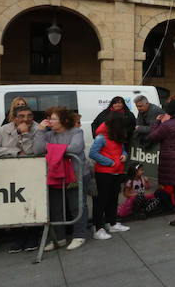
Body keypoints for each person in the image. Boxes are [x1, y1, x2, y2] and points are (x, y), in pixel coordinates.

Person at [0, 104, 43, 253]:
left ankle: (33, 236)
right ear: (14, 118)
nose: (27, 119)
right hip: (10, 174)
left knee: (32, 204)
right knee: (13, 204)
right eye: (22, 116)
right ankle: (18, 237)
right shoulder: (4, 130)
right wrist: (16, 151)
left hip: (32, 174)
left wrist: (25, 135)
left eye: (30, 116)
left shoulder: (37, 129)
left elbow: (32, 152)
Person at [33, 107, 88, 251]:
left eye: (53, 118)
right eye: (49, 118)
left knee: (77, 205)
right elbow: (38, 149)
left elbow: (75, 148)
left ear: (64, 120)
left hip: (76, 175)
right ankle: (59, 239)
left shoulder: (76, 132)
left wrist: (50, 148)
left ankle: (79, 235)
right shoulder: (48, 134)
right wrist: (40, 131)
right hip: (56, 175)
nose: (49, 121)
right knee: (56, 207)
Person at [89, 111, 129, 239]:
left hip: (116, 172)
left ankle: (111, 223)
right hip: (105, 173)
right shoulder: (101, 137)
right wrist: (110, 162)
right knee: (101, 200)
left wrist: (124, 155)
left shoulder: (117, 135)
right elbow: (93, 153)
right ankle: (97, 227)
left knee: (113, 198)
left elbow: (122, 149)